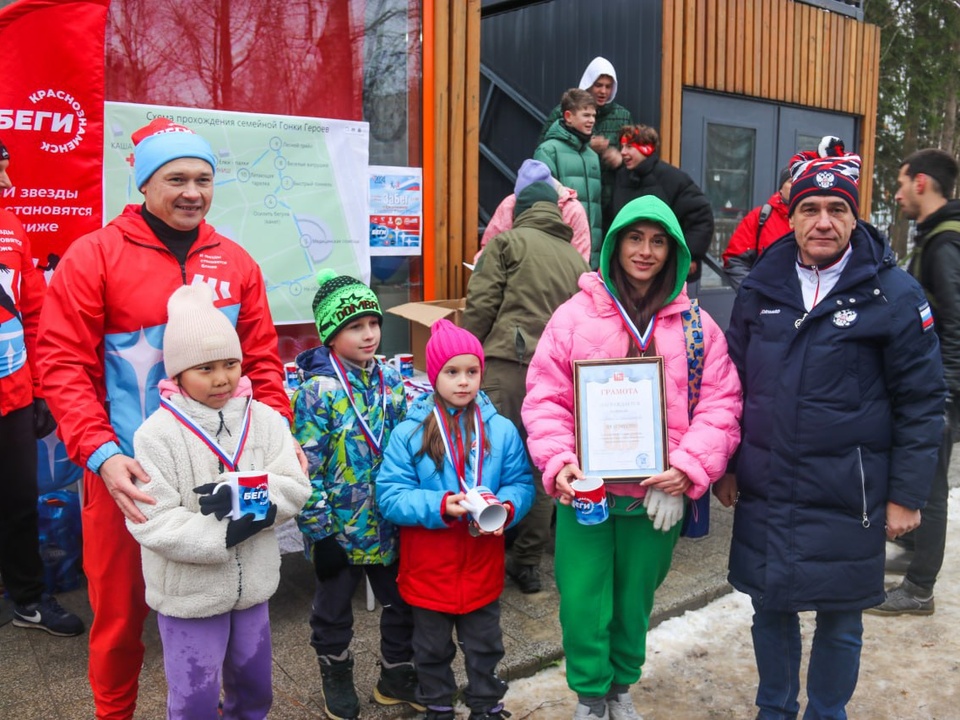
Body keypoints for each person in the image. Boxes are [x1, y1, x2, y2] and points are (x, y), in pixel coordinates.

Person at [36, 118, 295, 720]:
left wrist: (276, 430)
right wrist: (101, 453)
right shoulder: (93, 256)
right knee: (120, 621)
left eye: (203, 179)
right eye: (176, 177)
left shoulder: (235, 261)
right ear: (144, 183)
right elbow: (61, 363)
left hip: (230, 474)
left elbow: (262, 358)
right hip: (127, 475)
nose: (192, 192)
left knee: (240, 609)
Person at [718, 150, 946, 719]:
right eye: (811, 208)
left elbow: (922, 403)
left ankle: (826, 713)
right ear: (790, 216)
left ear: (855, 217)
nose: (823, 221)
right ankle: (774, 709)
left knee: (841, 619)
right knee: (769, 610)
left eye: (837, 209)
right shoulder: (760, 289)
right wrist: (723, 463)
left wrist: (906, 494)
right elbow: (729, 387)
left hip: (852, 490)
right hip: (767, 485)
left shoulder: (893, 295)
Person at [522, 195, 742, 720]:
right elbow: (544, 397)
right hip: (587, 496)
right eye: (635, 238)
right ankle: (589, 697)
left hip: (656, 498)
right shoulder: (574, 315)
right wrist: (559, 464)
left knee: (633, 605)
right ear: (615, 243)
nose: (645, 251)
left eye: (658, 240)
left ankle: (620, 691)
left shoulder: (696, 327)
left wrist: (689, 471)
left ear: (675, 251)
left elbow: (722, 402)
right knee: (581, 604)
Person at [126, 284, 310, 719]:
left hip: (255, 588)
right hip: (190, 597)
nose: (222, 378)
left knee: (255, 690)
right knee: (194, 700)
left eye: (230, 363)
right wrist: (224, 531)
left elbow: (295, 484)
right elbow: (151, 520)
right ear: (176, 375)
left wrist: (252, 500)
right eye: (204, 368)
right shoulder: (156, 435)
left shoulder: (263, 419)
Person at [376, 319, 535, 720]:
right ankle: (438, 705)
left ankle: (486, 704)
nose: (463, 381)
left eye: (472, 371)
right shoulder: (409, 433)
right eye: (452, 372)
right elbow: (391, 497)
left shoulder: (500, 430)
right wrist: (441, 505)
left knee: (485, 645)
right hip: (428, 569)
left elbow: (520, 482)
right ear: (434, 376)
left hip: (482, 565)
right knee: (430, 649)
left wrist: (508, 509)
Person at [292, 269, 420, 720]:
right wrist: (321, 533)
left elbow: (410, 444)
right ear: (331, 334)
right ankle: (337, 674)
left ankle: (396, 675)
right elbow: (303, 469)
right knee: (332, 614)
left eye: (373, 322)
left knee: (403, 602)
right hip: (340, 530)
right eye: (354, 326)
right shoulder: (315, 392)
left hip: (388, 524)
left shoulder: (391, 380)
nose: (369, 334)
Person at [463, 181, 589, 594]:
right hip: (559, 376)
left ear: (520, 212)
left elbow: (482, 304)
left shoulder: (507, 244)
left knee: (494, 462)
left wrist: (465, 353)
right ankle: (528, 563)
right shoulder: (576, 259)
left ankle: (487, 556)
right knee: (543, 469)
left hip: (508, 367)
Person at [866, 148, 960, 617]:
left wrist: (943, 389)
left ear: (922, 183)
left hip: (943, 384)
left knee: (930, 483)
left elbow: (956, 319)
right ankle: (915, 550)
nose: (897, 192)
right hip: (939, 377)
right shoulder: (937, 237)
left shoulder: (945, 243)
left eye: (902, 182)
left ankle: (920, 588)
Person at [0, 138, 84, 637]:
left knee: (15, 504)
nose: (8, 183)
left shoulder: (11, 229)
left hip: (10, 397)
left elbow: (33, 314)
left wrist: (37, 391)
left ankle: (28, 600)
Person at [610, 125, 714, 287]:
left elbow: (700, 216)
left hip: (666, 272)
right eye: (622, 147)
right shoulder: (620, 177)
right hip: (625, 270)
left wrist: (690, 255)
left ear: (646, 148)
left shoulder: (672, 178)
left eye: (629, 147)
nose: (623, 152)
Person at [537, 57, 635, 223]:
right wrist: (585, 145)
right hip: (572, 200)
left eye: (608, 86)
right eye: (598, 85)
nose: (603, 91)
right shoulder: (562, 112)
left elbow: (636, 160)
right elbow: (544, 148)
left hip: (610, 202)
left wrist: (620, 159)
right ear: (588, 83)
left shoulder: (623, 116)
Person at [534, 88, 604, 268]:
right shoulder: (548, 151)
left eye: (594, 115)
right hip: (562, 253)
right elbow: (543, 203)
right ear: (568, 116)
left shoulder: (592, 155)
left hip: (592, 257)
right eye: (586, 115)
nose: (592, 120)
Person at [477, 159, 591, 264]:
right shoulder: (509, 204)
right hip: (513, 278)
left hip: (556, 280)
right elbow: (489, 248)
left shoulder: (572, 210)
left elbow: (579, 259)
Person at [722, 166, 792, 290]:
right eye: (791, 181)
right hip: (766, 302)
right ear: (781, 188)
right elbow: (735, 262)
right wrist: (753, 293)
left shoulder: (820, 221)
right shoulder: (759, 216)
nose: (797, 185)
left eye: (800, 181)